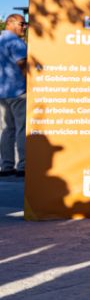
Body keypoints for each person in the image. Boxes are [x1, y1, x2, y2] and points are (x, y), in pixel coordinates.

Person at [0, 14, 27, 177]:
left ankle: (6, 166)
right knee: (22, 129)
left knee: (6, 130)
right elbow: (23, 64)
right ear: (10, 23)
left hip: (2, 93)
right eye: (22, 23)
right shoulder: (15, 42)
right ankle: (23, 166)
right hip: (18, 92)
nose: (25, 27)